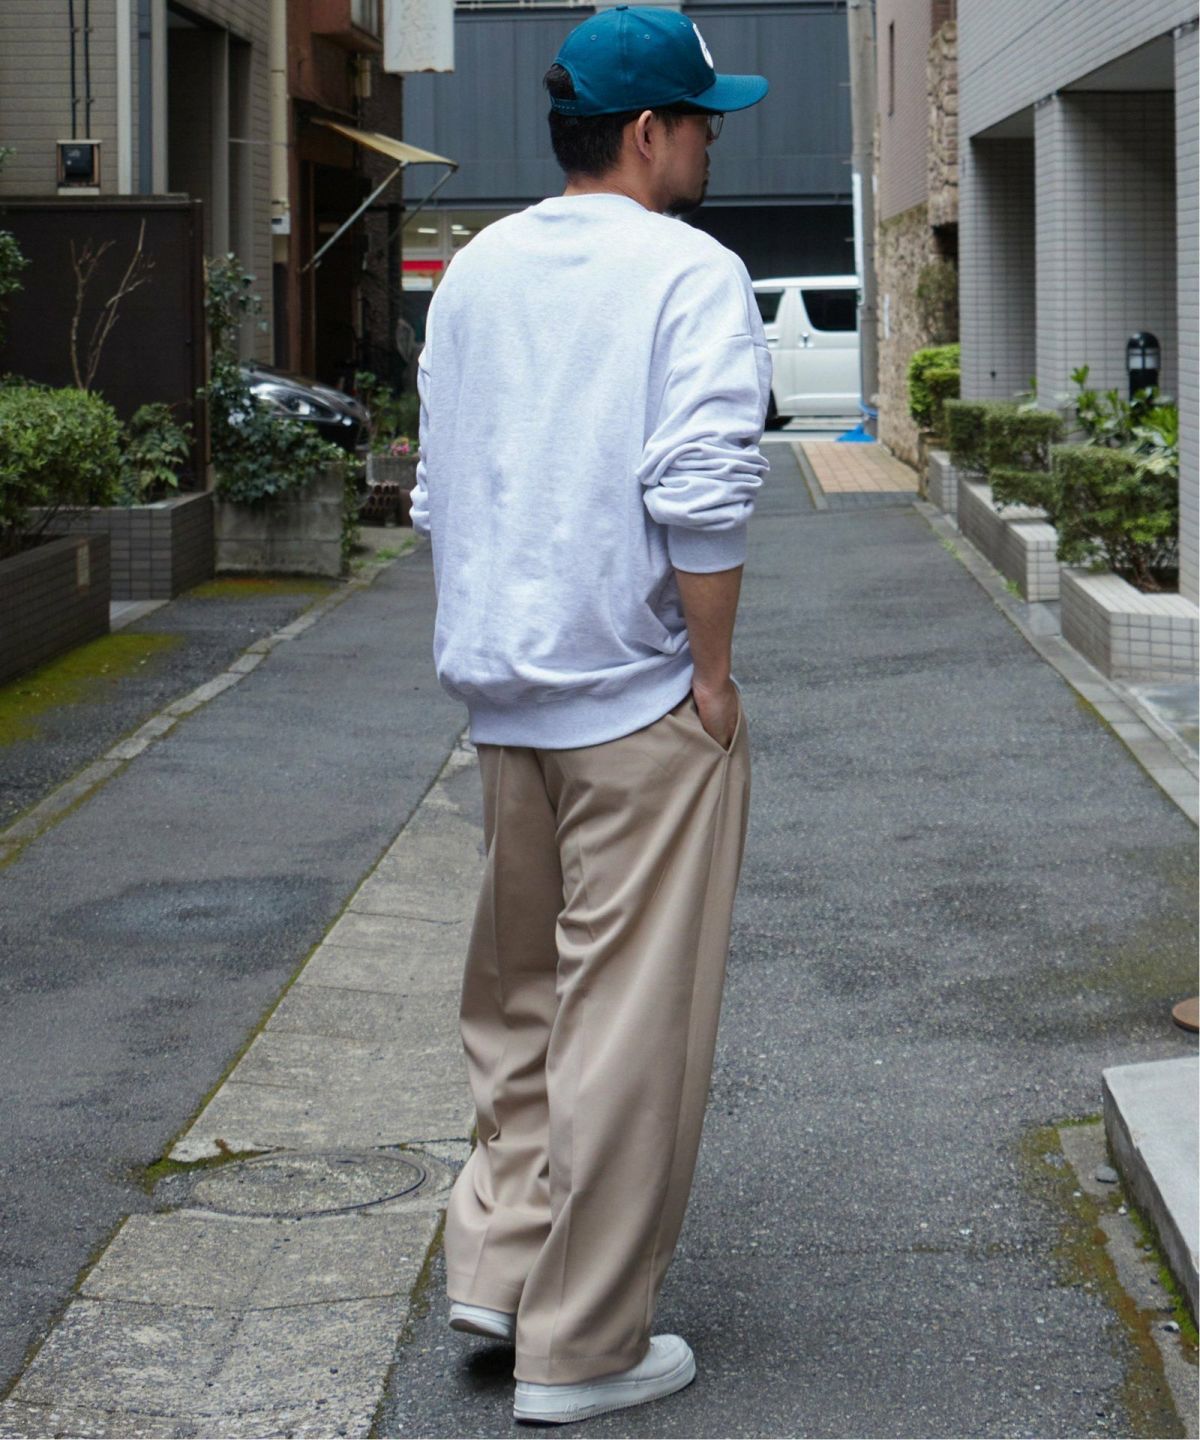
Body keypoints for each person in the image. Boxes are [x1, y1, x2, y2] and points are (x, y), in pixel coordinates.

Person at [410, 6, 770, 1424]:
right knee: (628, 1022)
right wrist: (712, 679)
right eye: (702, 123)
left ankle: (500, 1265)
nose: (713, 145)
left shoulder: (478, 268)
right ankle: (584, 1346)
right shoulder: (690, 270)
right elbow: (704, 487)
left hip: (506, 698)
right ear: (646, 132)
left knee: (517, 998)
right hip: (633, 697)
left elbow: (438, 487)